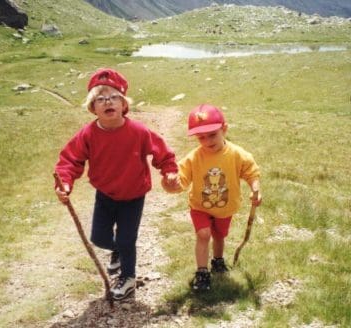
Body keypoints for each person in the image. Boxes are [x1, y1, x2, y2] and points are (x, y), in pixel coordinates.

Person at [54, 68, 178, 300]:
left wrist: (169, 171)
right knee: (99, 237)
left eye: (113, 97)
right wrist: (65, 184)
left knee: (126, 239)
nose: (107, 102)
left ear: (124, 104)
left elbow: (163, 153)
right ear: (93, 108)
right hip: (106, 195)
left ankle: (128, 277)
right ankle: (118, 252)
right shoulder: (88, 134)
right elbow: (70, 160)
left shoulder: (138, 131)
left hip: (134, 195)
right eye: (100, 99)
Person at [162, 104, 262, 291]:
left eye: (212, 134)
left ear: (224, 129)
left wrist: (255, 187)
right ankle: (202, 272)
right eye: (201, 137)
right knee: (203, 234)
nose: (207, 141)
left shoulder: (236, 154)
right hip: (200, 205)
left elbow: (251, 171)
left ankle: (217, 260)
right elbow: (181, 179)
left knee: (219, 235)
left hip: (226, 206)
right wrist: (171, 184)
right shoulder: (194, 157)